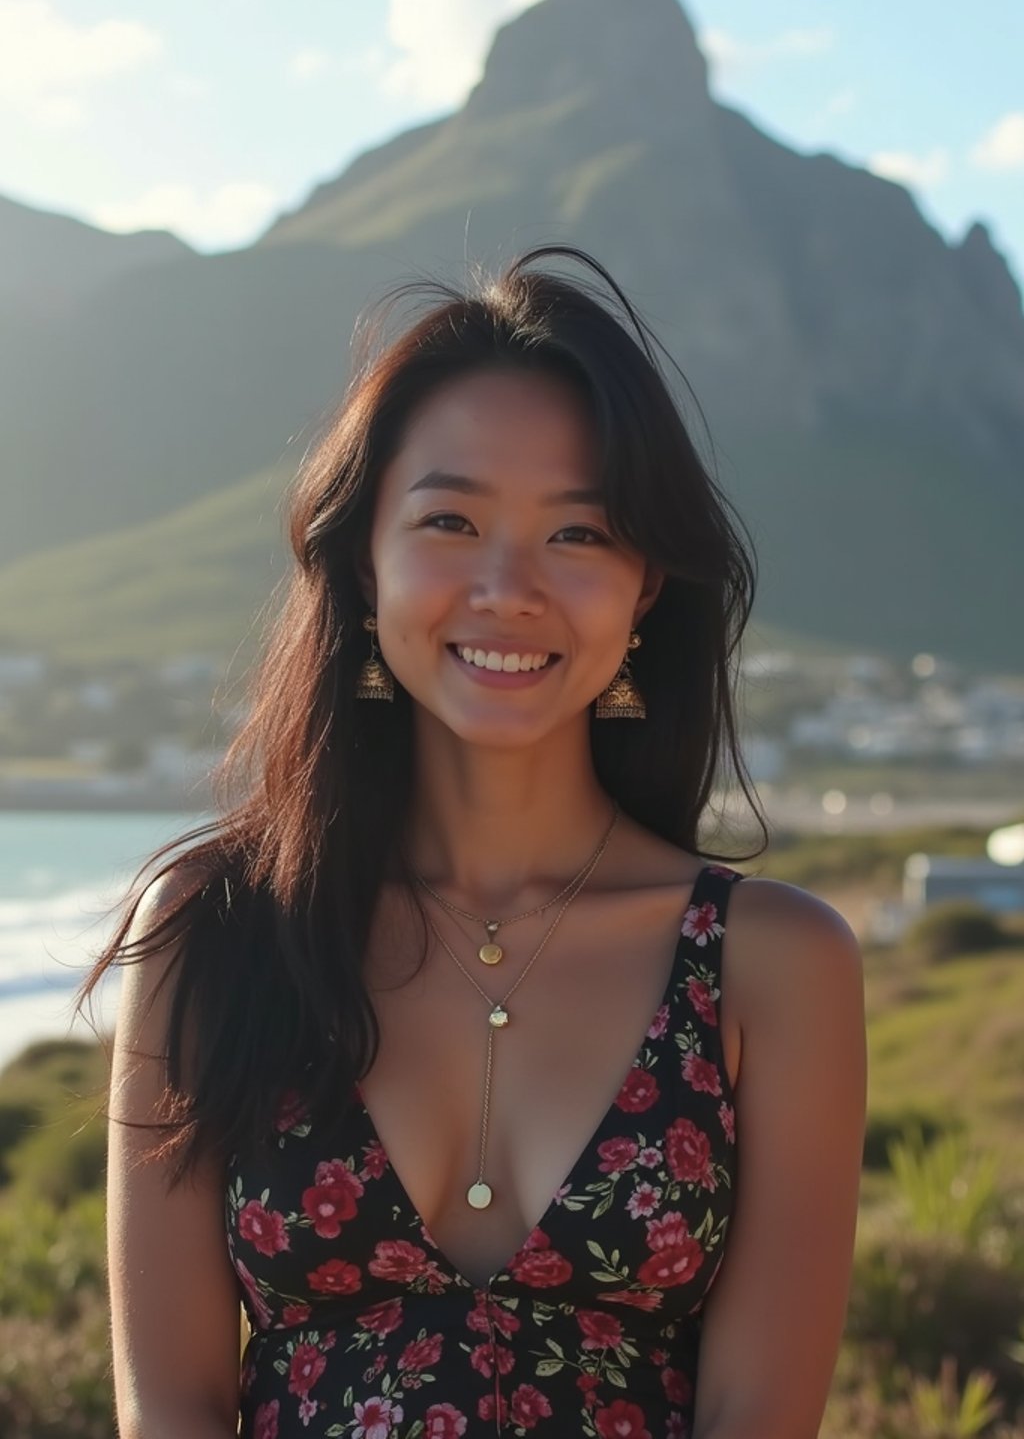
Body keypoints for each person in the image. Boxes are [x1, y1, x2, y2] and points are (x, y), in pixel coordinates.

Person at [85, 245, 867, 1439]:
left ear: (645, 584)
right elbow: (173, 1406)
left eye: (579, 534)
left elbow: (761, 1416)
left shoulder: (771, 965)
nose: (507, 588)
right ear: (362, 558)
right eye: (449, 518)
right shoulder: (216, 929)